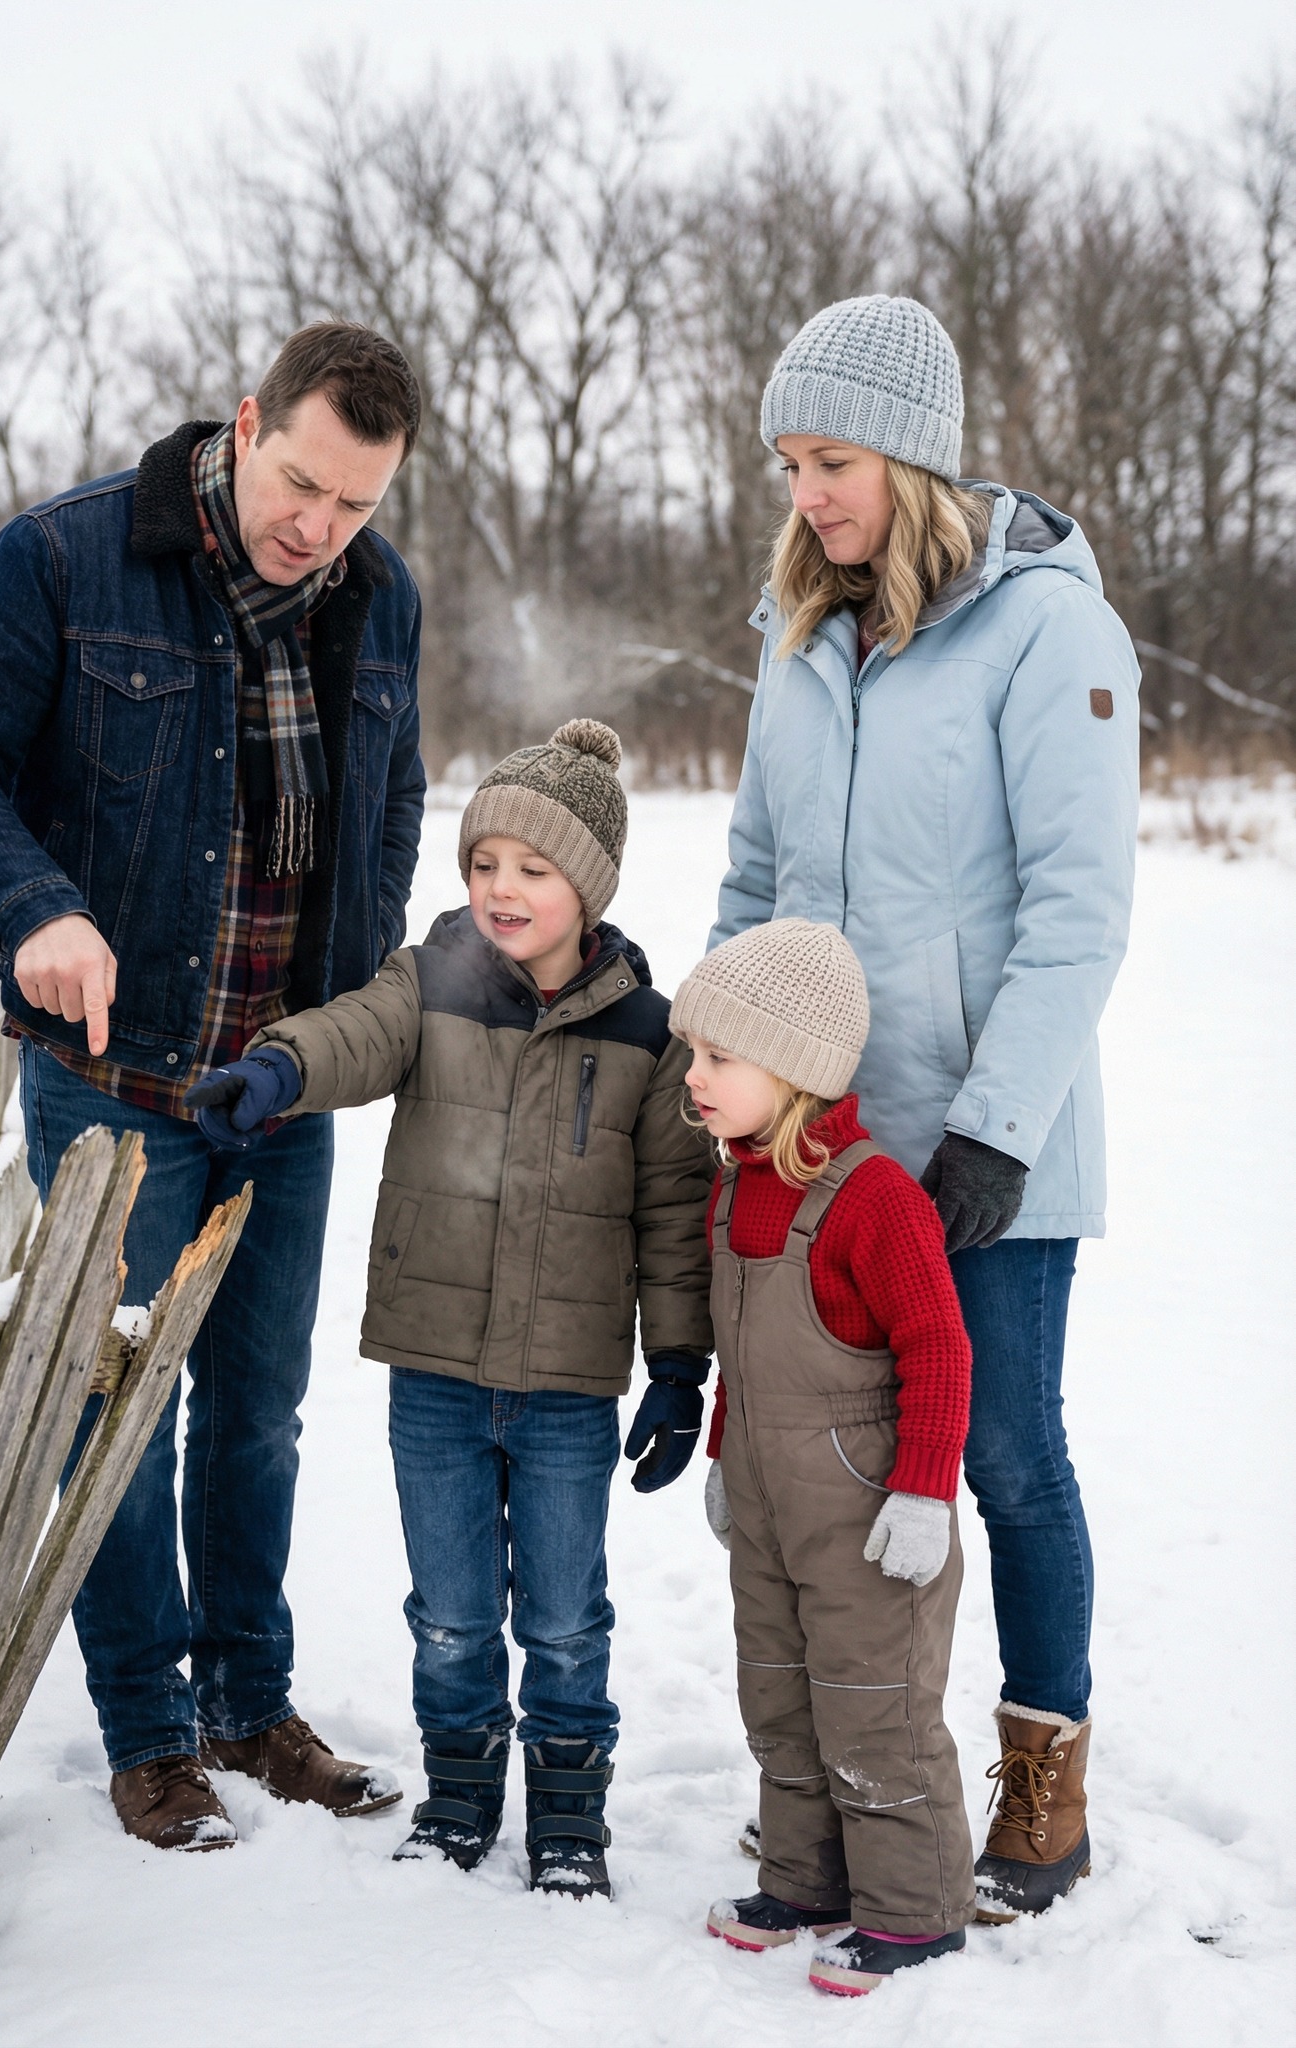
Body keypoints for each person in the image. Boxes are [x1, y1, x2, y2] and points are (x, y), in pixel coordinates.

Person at [0, 323, 428, 1851]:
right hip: (113, 1078)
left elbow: (389, 806)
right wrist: (38, 908)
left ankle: (249, 1703)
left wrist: (343, 1004)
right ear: (246, 424)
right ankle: (146, 1733)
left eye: (357, 506)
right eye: (303, 485)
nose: (319, 529)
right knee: (116, 1413)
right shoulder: (64, 561)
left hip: (281, 1082)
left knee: (260, 1411)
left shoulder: (379, 600)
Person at [712, 294, 1140, 1920]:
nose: (808, 493)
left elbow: (1077, 906)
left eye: (833, 460)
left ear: (917, 458)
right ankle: (869, 1782)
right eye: (791, 463)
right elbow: (757, 874)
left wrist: (995, 1128)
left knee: (1007, 1455)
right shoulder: (801, 632)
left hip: (986, 1151)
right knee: (841, 1473)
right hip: (825, 1147)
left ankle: (1043, 1779)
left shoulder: (1048, 635)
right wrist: (724, 1053)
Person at [188, 720, 715, 1898]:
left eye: (533, 869)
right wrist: (276, 1069)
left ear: (590, 884)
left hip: (572, 1383)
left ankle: (571, 1816)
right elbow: (352, 1034)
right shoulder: (429, 983)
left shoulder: (648, 1033)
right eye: (484, 864)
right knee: (453, 1613)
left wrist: (680, 1364)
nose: (502, 890)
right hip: (433, 1372)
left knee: (569, 1617)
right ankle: (464, 1794)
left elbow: (676, 1212)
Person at [676, 921, 974, 1997]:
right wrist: (722, 1455)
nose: (694, 1077)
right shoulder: (735, 1183)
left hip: (867, 1511)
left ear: (794, 1066)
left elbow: (938, 1342)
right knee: (782, 1692)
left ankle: (915, 1910)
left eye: (719, 1056)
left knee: (871, 1701)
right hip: (765, 1499)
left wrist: (926, 1487)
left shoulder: (876, 1196)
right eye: (692, 1053)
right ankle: (805, 1879)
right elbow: (741, 1357)